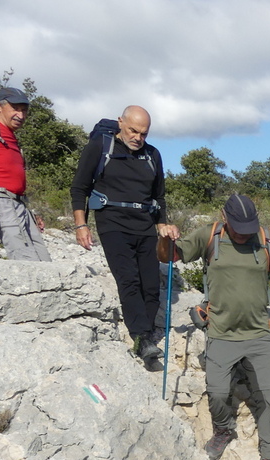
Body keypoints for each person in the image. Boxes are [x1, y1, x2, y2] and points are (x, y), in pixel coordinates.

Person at [157, 194, 270, 460]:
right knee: (216, 392)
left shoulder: (265, 238)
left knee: (267, 397)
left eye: (248, 226)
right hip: (221, 332)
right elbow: (168, 256)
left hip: (259, 334)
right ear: (225, 217)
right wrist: (165, 237)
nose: (243, 233)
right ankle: (224, 431)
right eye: (238, 226)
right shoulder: (209, 235)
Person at [71, 105, 178, 362]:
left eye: (143, 133)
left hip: (143, 223)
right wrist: (81, 225)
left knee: (151, 285)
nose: (138, 138)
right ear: (121, 122)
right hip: (112, 223)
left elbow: (158, 196)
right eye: (133, 130)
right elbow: (79, 187)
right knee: (128, 279)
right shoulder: (100, 147)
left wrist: (162, 224)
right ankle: (142, 339)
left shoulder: (153, 154)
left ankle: (146, 332)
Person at [0, 87, 52, 262]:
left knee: (44, 262)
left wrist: (30, 213)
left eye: (24, 110)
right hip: (2, 202)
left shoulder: (10, 135)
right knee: (27, 263)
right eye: (15, 109)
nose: (21, 115)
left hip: (18, 204)